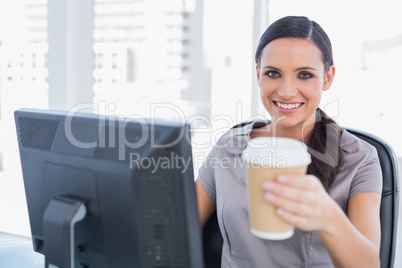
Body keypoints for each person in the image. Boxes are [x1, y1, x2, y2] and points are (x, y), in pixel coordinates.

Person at [196, 16, 382, 268]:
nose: (286, 91)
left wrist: (328, 216)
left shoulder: (360, 159)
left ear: (327, 78)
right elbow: (172, 231)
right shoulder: (229, 146)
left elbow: (369, 264)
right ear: (258, 74)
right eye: (273, 73)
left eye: (304, 75)